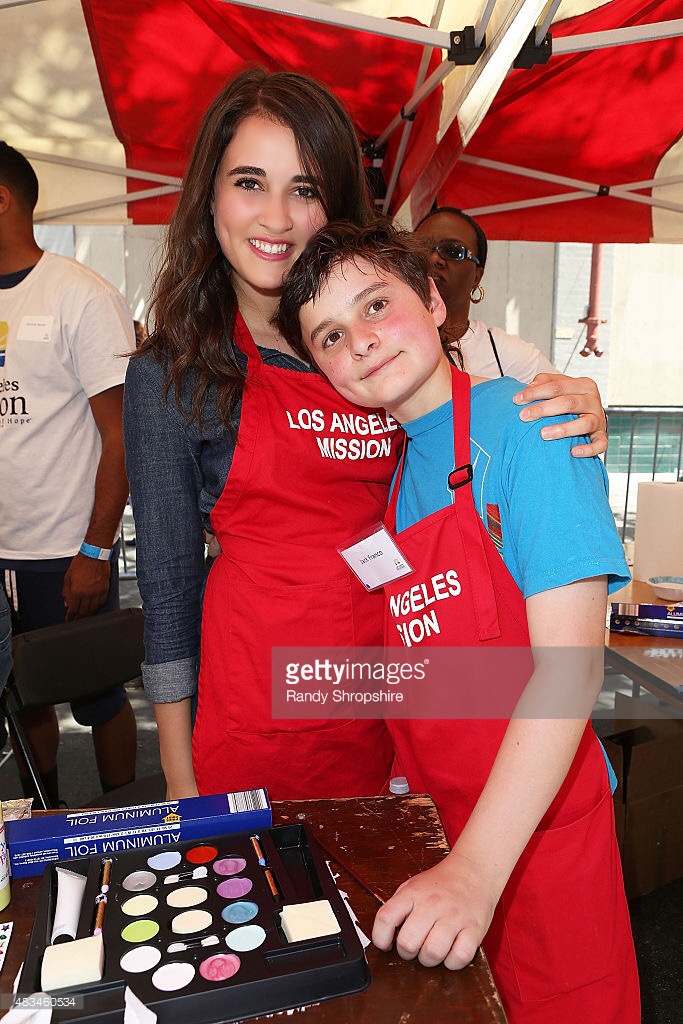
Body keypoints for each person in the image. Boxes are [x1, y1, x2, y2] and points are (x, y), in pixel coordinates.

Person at [124, 67, 611, 802]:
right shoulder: (175, 373)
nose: (277, 219)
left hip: (414, 697)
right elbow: (166, 590)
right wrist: (178, 778)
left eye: (306, 189)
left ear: (336, 208)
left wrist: (568, 403)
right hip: (262, 712)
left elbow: (478, 432)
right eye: (249, 182)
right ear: (209, 196)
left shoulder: (379, 350)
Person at [276, 219, 639, 1024]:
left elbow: (570, 668)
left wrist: (476, 867)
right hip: (444, 825)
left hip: (535, 832)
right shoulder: (400, 465)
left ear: (435, 300)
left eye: (377, 305)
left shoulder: (529, 422)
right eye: (331, 335)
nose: (361, 342)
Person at [0, 142, 137, 804]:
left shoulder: (81, 296)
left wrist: (94, 550)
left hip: (63, 552)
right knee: (24, 699)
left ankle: (120, 820)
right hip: (1, 551)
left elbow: (123, 436)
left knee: (99, 695)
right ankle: (44, 817)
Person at [415, 206, 562, 381]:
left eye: (453, 251)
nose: (434, 259)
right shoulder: (383, 340)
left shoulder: (507, 356)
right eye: (421, 248)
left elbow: (570, 401)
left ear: (477, 277)